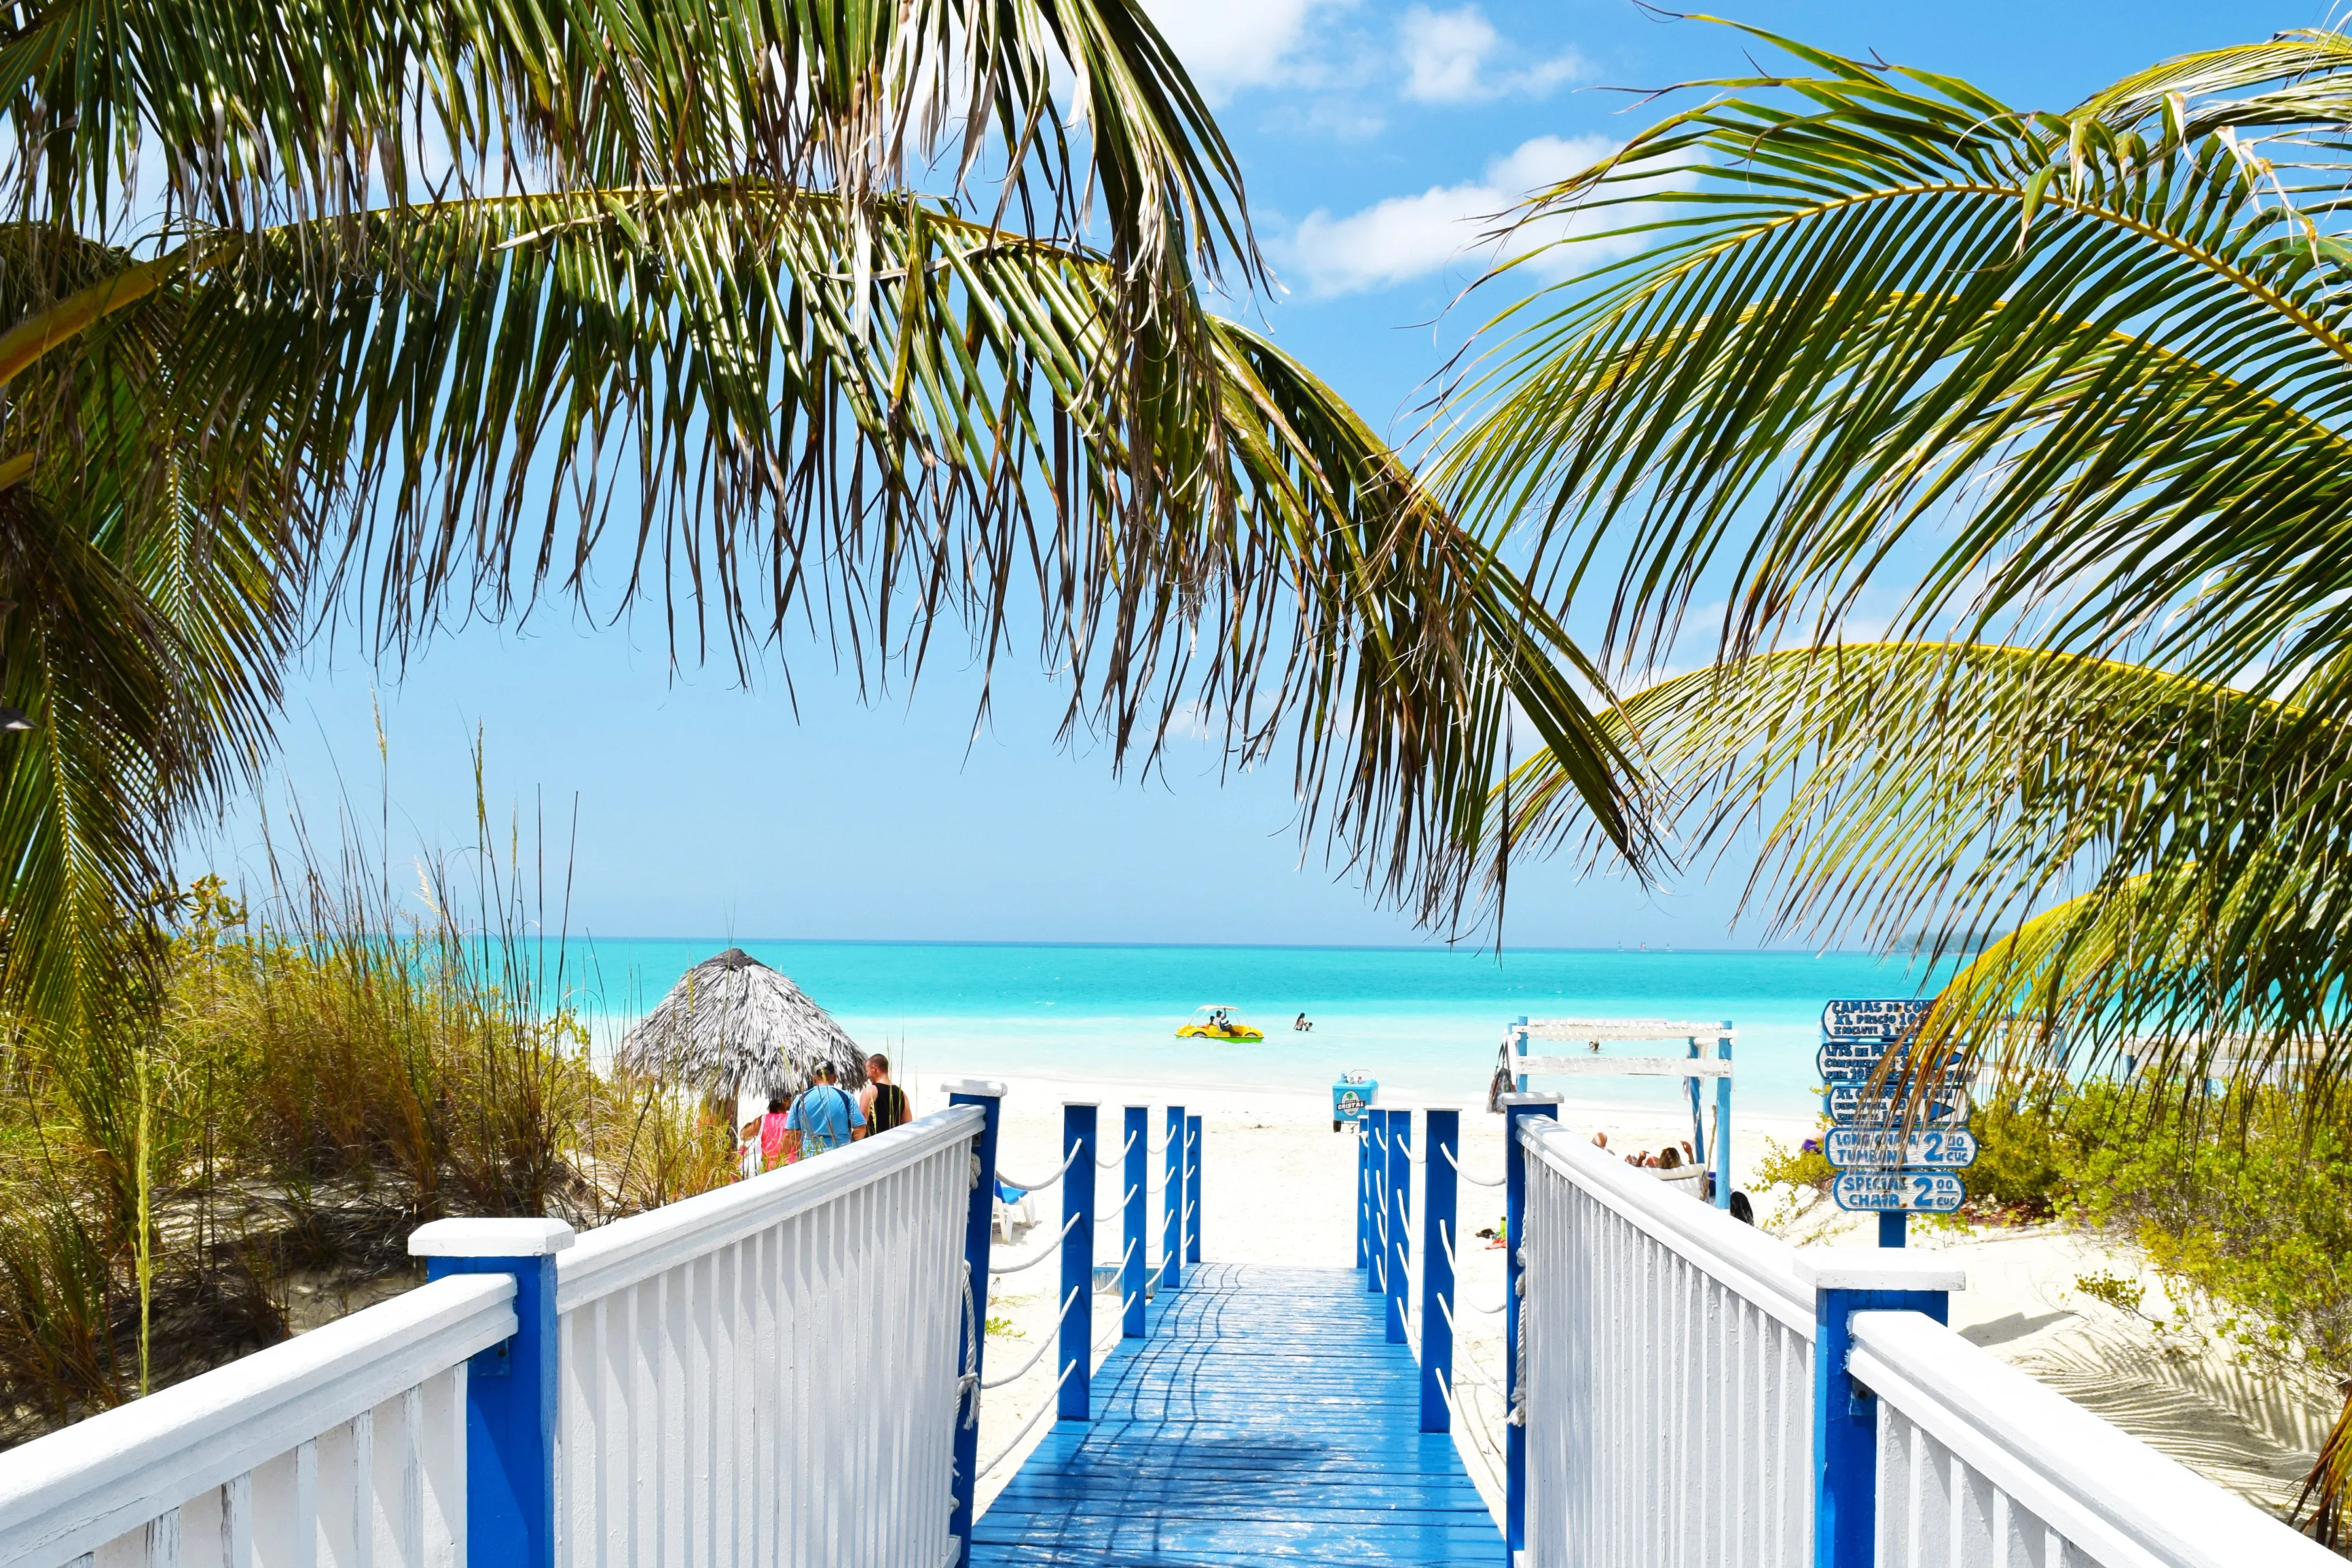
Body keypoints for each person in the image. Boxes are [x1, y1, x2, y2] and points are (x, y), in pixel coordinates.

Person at [786, 1061, 866, 1155]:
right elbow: (861, 1128)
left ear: (814, 1079)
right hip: (841, 1153)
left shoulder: (800, 1099)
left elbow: (790, 1134)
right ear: (835, 1078)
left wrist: (779, 1163)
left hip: (810, 1155)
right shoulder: (846, 1097)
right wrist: (852, 1141)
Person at [739, 1092, 796, 1173]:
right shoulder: (792, 1119)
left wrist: (750, 1124)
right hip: (789, 1164)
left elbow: (743, 1135)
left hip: (768, 1166)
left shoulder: (762, 1119)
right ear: (785, 1101)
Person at [861, 1054, 909, 1137]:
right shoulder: (902, 1094)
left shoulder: (870, 1091)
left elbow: (862, 1122)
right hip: (894, 1141)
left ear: (874, 1069)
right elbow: (907, 1122)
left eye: (867, 1071)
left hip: (873, 1143)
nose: (867, 1075)